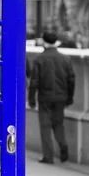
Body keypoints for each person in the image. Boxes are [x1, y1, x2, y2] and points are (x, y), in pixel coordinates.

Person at [28, 30, 75, 164]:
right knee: (58, 124)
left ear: (44, 42)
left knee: (45, 127)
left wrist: (31, 99)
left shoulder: (39, 59)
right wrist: (69, 97)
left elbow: (34, 82)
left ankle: (48, 157)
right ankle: (63, 147)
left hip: (45, 97)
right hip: (61, 97)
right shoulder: (66, 59)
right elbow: (71, 80)